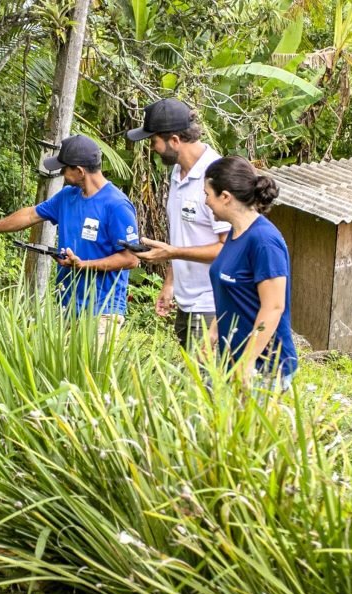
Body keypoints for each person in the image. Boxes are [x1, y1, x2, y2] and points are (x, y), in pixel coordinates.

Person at [0, 135, 139, 340]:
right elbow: (30, 214)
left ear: (79, 171)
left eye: (64, 169)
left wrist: (84, 264)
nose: (61, 173)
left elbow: (131, 259)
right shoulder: (67, 196)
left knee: (91, 372)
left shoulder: (117, 205)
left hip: (103, 310)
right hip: (68, 306)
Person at [125, 99, 230, 348]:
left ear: (174, 141)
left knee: (201, 383)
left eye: (154, 142)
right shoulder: (177, 172)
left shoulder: (217, 176)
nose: (152, 149)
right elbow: (184, 236)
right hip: (185, 301)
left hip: (211, 304)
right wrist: (170, 283)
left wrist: (171, 252)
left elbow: (228, 249)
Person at [201, 156, 298, 389]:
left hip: (264, 367)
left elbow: (274, 307)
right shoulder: (235, 234)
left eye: (207, 194)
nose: (205, 201)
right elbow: (231, 295)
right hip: (232, 361)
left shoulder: (264, 241)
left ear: (225, 197)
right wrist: (212, 334)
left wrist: (247, 361)